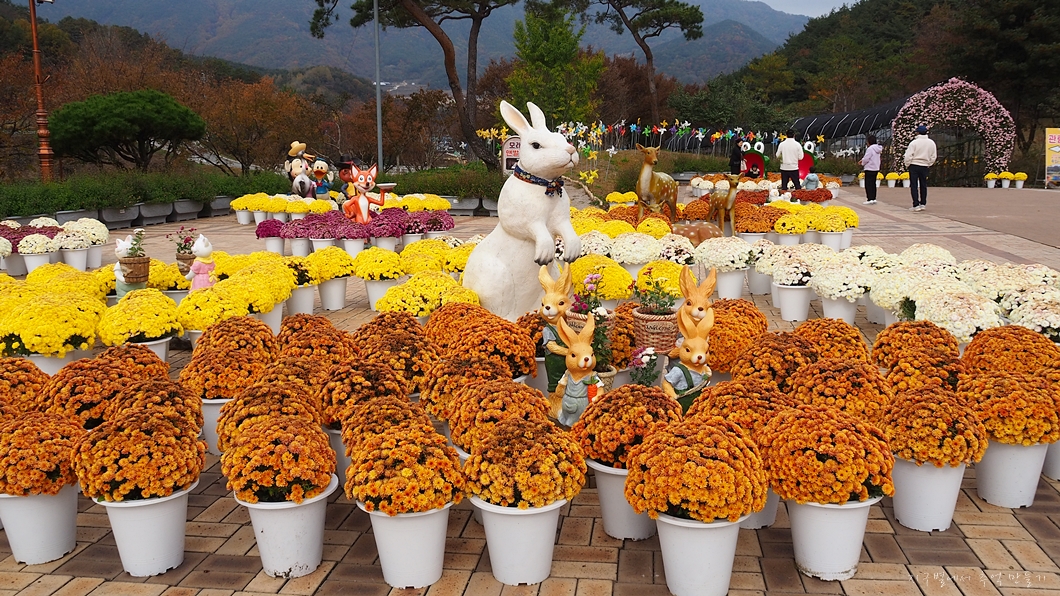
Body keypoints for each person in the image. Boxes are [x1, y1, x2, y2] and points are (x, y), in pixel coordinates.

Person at [904, 125, 937, 211]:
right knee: (923, 185)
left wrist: (907, 164)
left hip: (914, 165)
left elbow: (908, 155)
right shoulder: (931, 143)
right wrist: (929, 163)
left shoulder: (914, 143)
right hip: (924, 165)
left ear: (917, 132)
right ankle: (923, 203)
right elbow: (933, 156)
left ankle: (916, 204)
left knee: (914, 185)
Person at [861, 134, 882, 205]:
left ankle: (869, 198)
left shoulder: (870, 149)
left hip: (869, 168)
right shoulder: (878, 148)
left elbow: (867, 158)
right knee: (873, 184)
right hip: (876, 168)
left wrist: (862, 162)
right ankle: (873, 198)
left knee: (868, 184)